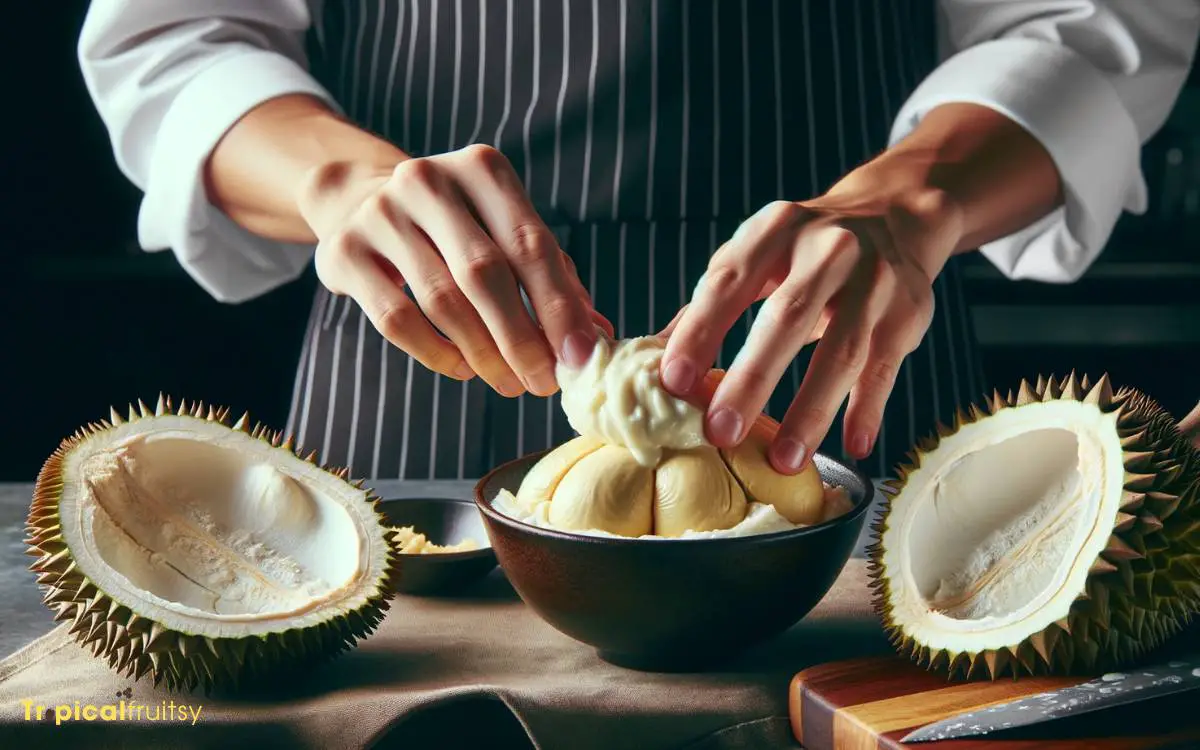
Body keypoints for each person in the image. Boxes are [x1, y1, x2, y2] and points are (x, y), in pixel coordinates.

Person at [78, 1, 1199, 482]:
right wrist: (337, 180)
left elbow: (1081, 24)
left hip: (848, 371)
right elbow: (173, 37)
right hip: (408, 385)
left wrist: (913, 201)